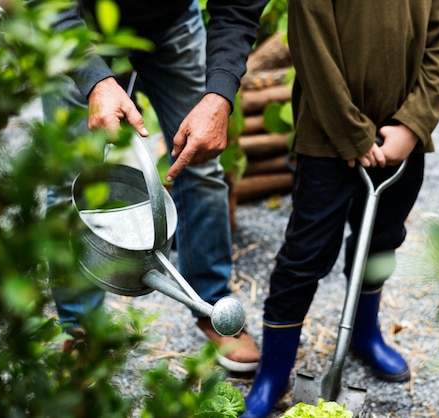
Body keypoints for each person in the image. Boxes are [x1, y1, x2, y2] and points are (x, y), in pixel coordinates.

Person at [241, 0, 439, 415]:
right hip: (327, 135)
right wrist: (351, 132)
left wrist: (413, 124)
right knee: (305, 254)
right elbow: (312, 48)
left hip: (401, 138)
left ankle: (364, 335)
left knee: (381, 240)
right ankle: (273, 372)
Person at [42, 0, 269, 373]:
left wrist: (220, 94)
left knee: (201, 164)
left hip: (170, 17)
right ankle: (80, 326)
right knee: (71, 177)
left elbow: (240, 5)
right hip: (75, 20)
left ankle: (210, 304)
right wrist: (93, 78)